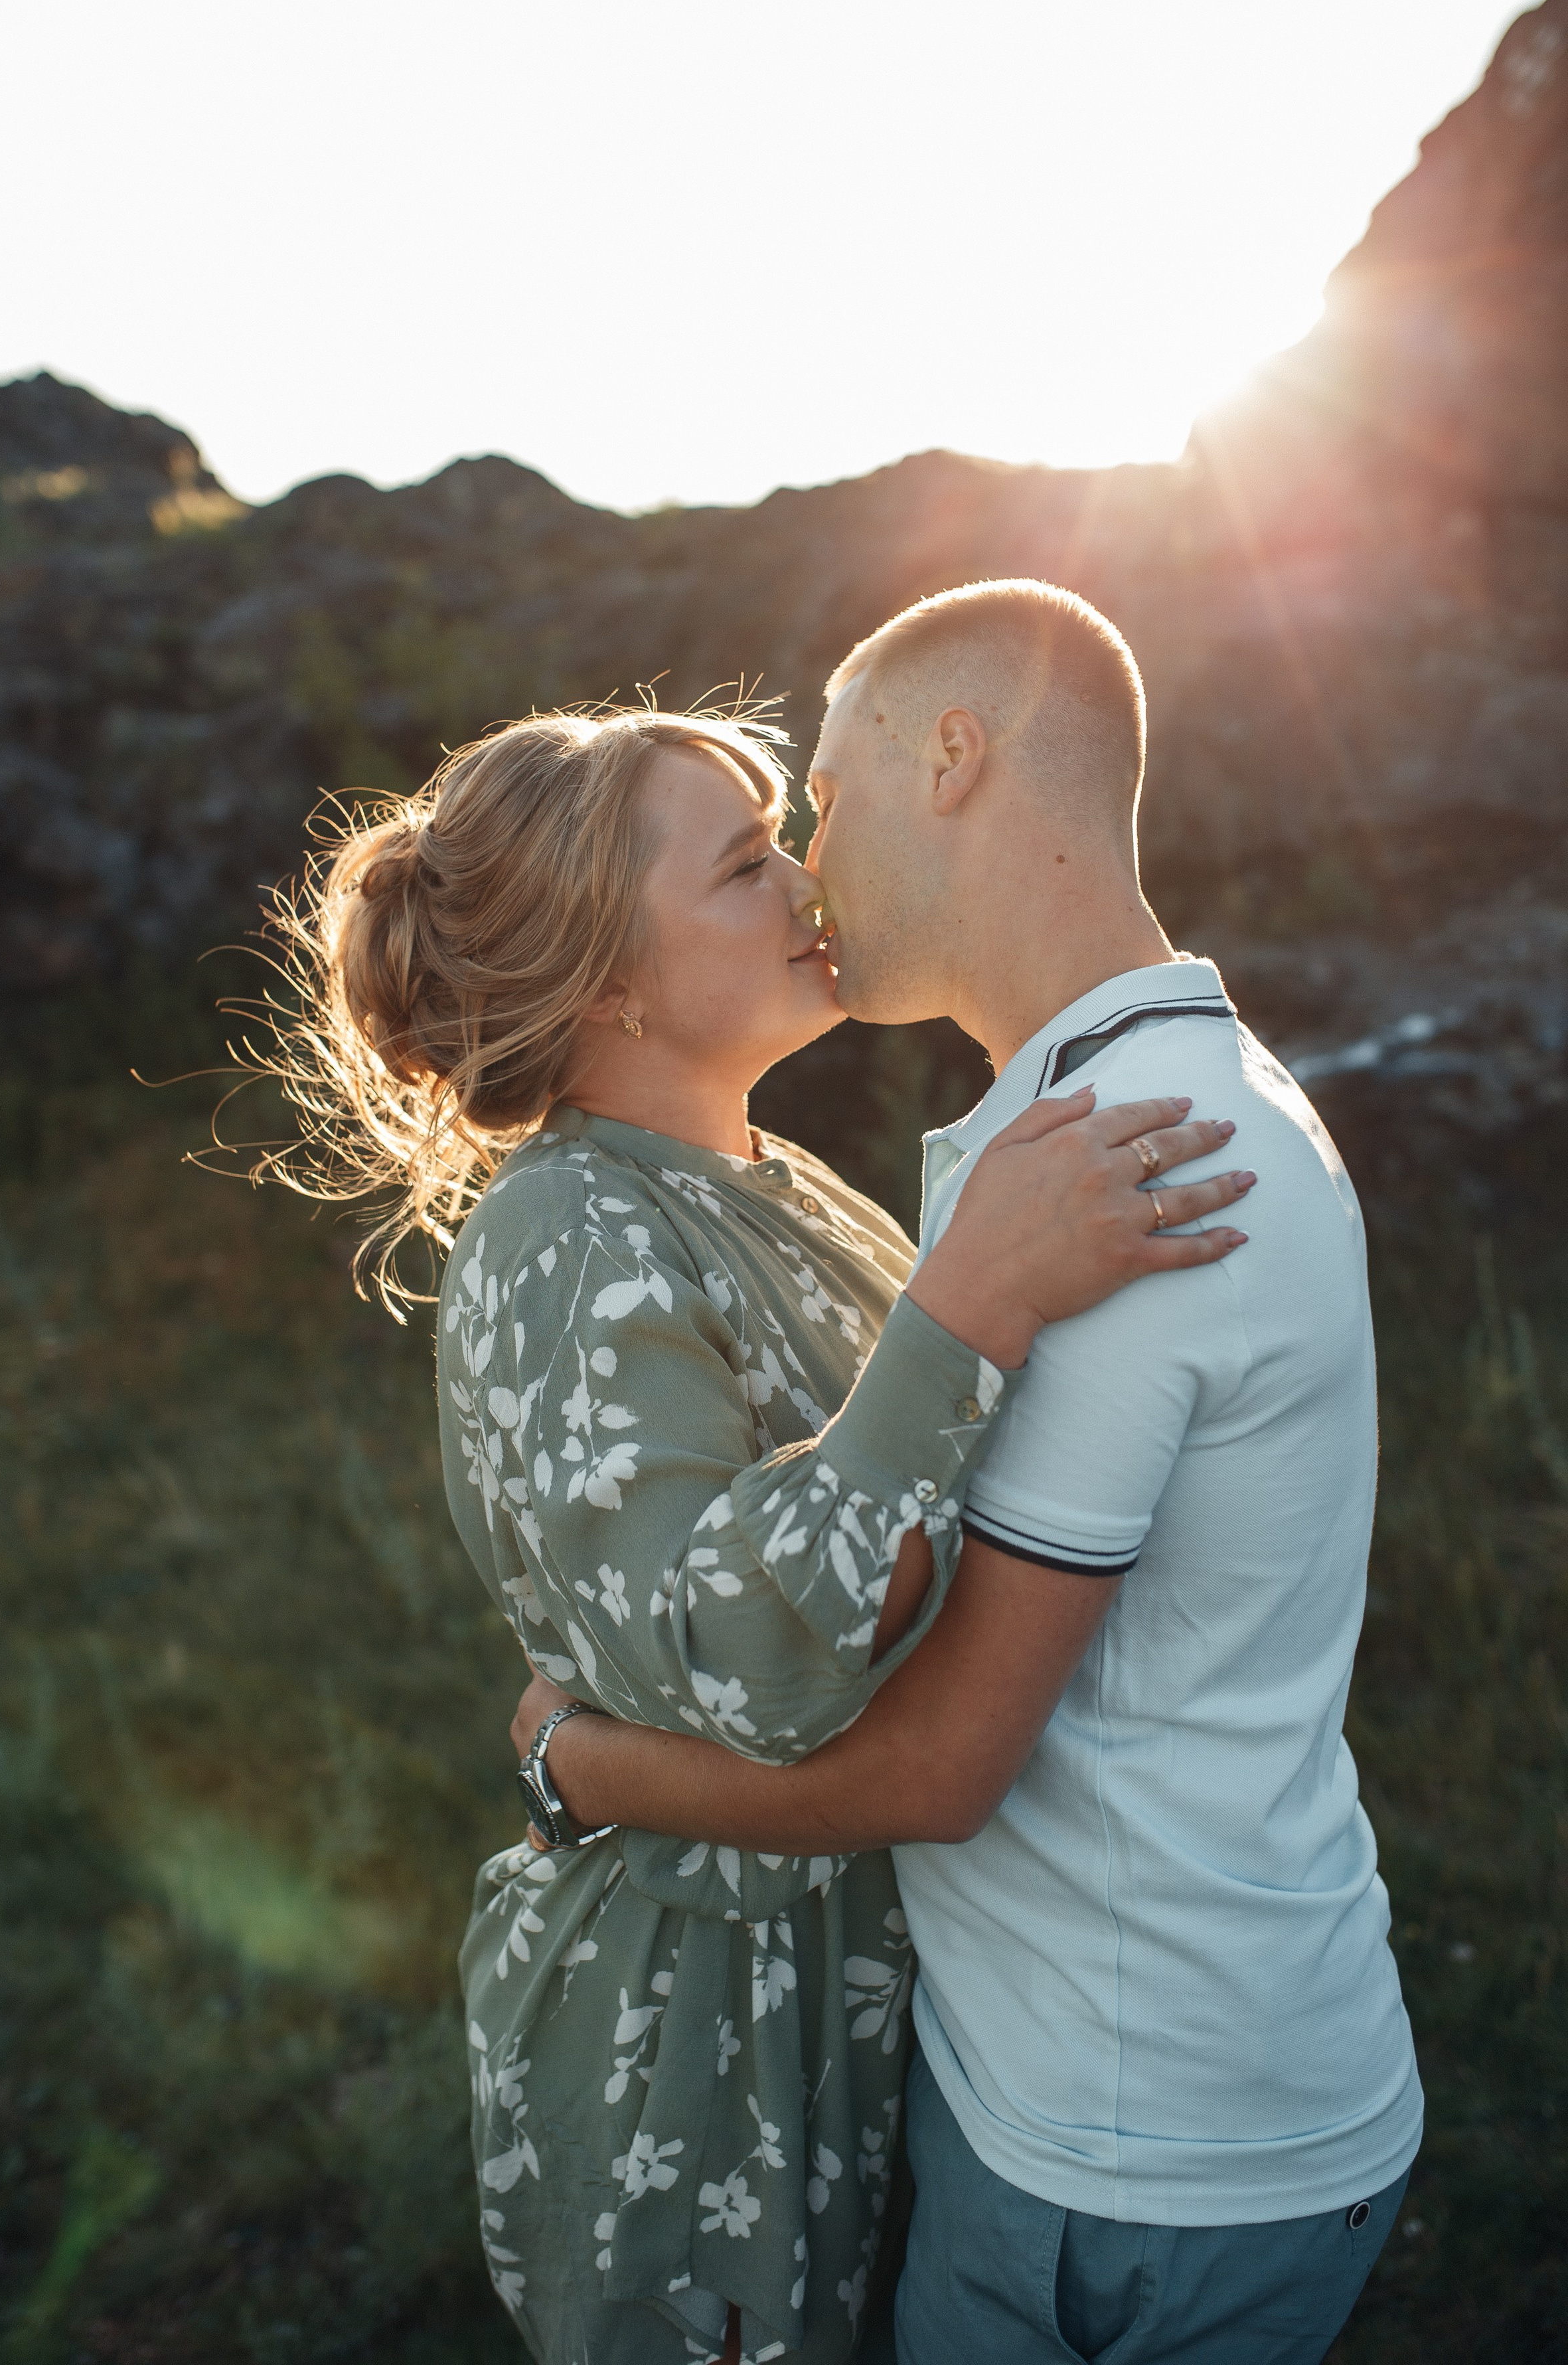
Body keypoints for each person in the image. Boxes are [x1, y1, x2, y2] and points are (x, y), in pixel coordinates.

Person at [264, 694, 1250, 2365]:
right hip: (706, 2038)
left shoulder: (771, 1179)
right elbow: (740, 1662)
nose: (807, 879)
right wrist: (964, 1309)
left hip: (877, 1976)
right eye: (741, 863)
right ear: (610, 978)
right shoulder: (560, 1231)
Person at [513, 581, 1425, 2365]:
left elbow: (940, 1765)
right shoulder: (1122, 1108)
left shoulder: (1134, 1160)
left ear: (954, 755)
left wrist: (572, 1756)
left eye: (825, 806)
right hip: (1111, 2082)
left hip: (1141, 2154)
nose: (811, 876)